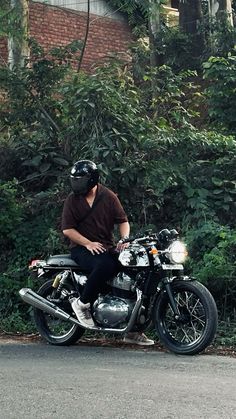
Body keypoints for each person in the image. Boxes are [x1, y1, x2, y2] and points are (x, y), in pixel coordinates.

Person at [62, 159, 154, 346]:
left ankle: (133, 330)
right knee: (105, 265)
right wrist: (88, 243)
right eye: (75, 180)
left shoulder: (108, 196)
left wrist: (124, 240)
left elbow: (123, 221)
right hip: (81, 249)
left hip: (106, 247)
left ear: (92, 179)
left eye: (81, 180)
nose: (77, 184)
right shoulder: (73, 199)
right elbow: (68, 229)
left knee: (133, 274)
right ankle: (83, 304)